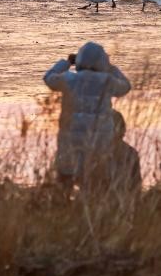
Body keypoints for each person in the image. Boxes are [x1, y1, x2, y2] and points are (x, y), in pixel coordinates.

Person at [44, 41, 131, 191]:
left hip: (70, 143)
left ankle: (63, 202)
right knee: (97, 186)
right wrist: (111, 68)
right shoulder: (107, 81)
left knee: (65, 182)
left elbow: (49, 78)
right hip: (100, 144)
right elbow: (125, 86)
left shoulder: (69, 79)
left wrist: (66, 63)